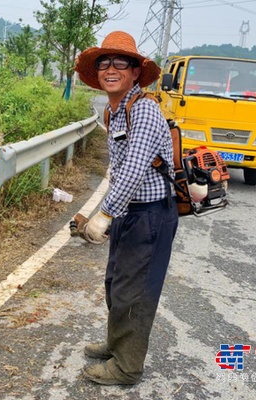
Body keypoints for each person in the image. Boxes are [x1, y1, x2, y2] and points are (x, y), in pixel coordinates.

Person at [74, 31, 179, 385]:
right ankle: (116, 344)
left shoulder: (144, 110)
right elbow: (118, 168)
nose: (111, 68)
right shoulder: (115, 110)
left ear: (136, 72)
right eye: (105, 62)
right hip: (130, 213)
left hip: (150, 215)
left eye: (122, 62)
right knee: (115, 284)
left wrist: (103, 213)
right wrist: (108, 211)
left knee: (133, 293)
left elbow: (135, 169)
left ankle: (127, 366)